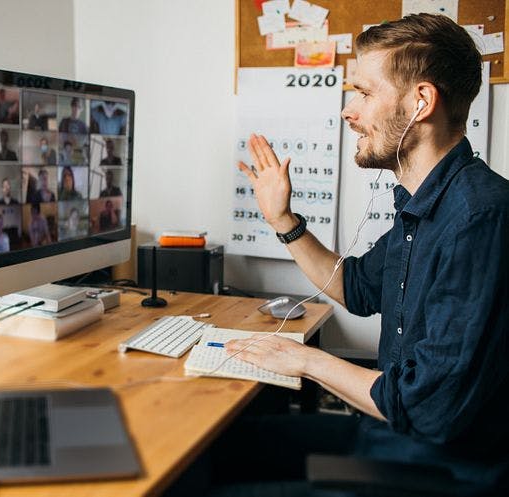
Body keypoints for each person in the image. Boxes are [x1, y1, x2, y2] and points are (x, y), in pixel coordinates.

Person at [210, 13, 509, 495]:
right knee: (214, 453)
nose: (350, 110)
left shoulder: (479, 218)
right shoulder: (426, 204)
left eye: (365, 93)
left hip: (439, 472)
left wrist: (305, 361)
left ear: (421, 102)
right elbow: (355, 288)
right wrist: (282, 219)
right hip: (389, 439)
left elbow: (428, 408)